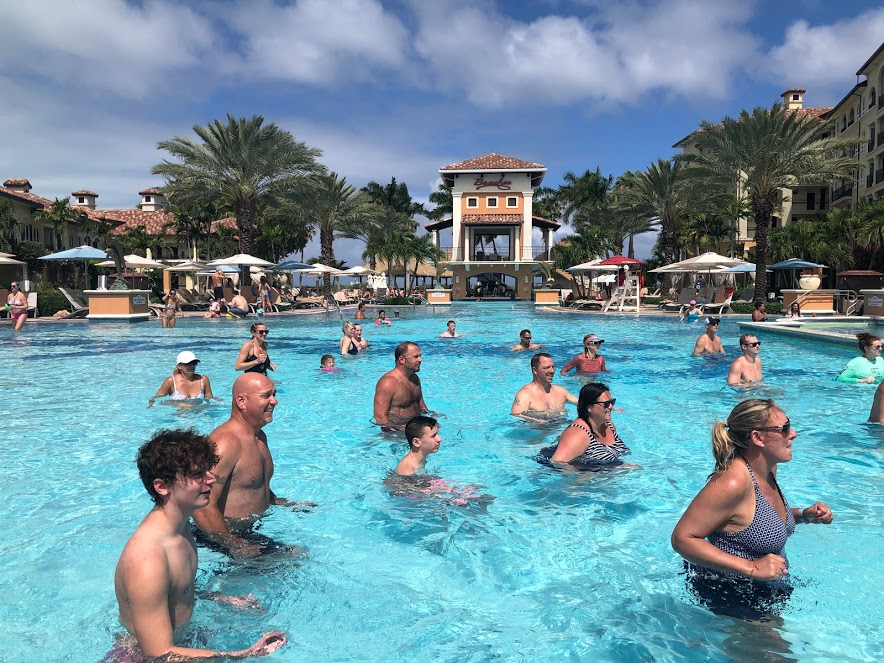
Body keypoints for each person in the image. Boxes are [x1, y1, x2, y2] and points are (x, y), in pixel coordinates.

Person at [114, 428, 287, 658]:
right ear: (162, 486)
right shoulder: (147, 561)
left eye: (207, 470)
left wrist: (218, 598)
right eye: (198, 475)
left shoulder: (180, 528)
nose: (212, 479)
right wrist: (244, 654)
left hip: (183, 643)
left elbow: (174, 590)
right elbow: (159, 654)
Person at [671, 399, 833, 619]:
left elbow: (754, 520)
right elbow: (682, 538)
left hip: (762, 588)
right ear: (757, 437)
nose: (793, 434)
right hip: (728, 592)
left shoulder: (766, 469)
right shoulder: (733, 482)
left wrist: (804, 515)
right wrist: (751, 568)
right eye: (784, 428)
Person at [192, 374, 307, 557]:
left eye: (274, 394)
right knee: (298, 557)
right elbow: (200, 505)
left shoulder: (259, 437)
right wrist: (234, 544)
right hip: (221, 536)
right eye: (266, 395)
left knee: (300, 554)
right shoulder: (225, 444)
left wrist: (282, 503)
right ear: (241, 401)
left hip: (247, 532)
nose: (274, 401)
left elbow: (253, 483)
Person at [540, 382, 629, 466]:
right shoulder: (578, 434)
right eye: (606, 404)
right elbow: (556, 463)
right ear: (589, 407)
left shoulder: (608, 425)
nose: (610, 407)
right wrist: (586, 474)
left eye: (611, 402)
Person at [373, 341, 427, 430]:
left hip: (414, 427)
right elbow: (379, 417)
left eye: (420, 356)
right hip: (394, 432)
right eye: (416, 357)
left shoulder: (414, 378)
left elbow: (423, 408)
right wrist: (401, 431)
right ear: (401, 359)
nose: (420, 360)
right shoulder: (388, 382)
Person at [510, 352, 578, 423]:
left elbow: (581, 403)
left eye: (553, 367)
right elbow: (516, 415)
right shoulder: (525, 394)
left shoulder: (560, 391)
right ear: (535, 370)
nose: (552, 371)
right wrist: (537, 421)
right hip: (537, 429)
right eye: (546, 367)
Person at [149, 351, 218, 407]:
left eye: (194, 363)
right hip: (179, 416)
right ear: (179, 366)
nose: (192, 366)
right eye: (188, 363)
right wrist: (178, 404)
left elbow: (209, 400)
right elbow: (154, 400)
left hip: (200, 415)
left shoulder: (203, 380)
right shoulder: (171, 381)